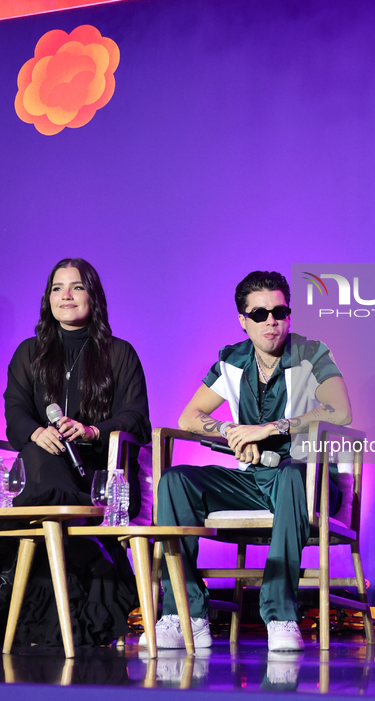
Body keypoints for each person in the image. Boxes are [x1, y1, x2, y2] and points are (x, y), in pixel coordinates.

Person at [147, 270, 351, 652]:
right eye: (259, 314)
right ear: (244, 321)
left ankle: (280, 615)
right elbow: (188, 417)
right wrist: (231, 431)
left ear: (289, 315)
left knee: (291, 476)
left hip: (308, 482)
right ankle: (185, 614)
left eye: (279, 311)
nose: (270, 320)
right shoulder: (232, 359)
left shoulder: (312, 353)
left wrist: (270, 428)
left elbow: (340, 411)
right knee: (175, 482)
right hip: (255, 481)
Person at [2, 257, 151, 646]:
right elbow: (13, 411)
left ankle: (73, 544)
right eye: (57, 288)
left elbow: (137, 421)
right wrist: (36, 433)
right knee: (37, 455)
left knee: (33, 472)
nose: (65, 295)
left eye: (77, 287)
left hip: (102, 480)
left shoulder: (120, 353)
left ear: (93, 296)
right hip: (45, 469)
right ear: (47, 298)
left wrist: (90, 431)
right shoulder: (28, 353)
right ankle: (89, 550)